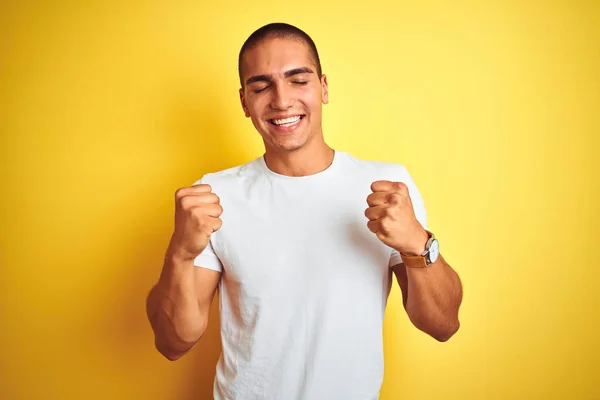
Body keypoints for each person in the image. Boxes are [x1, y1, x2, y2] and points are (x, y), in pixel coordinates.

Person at [146, 22, 463, 400]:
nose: (281, 100)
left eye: (298, 80)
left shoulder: (387, 186)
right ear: (245, 101)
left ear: (324, 88)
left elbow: (442, 325)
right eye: (261, 86)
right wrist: (180, 253)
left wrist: (417, 242)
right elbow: (172, 342)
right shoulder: (214, 195)